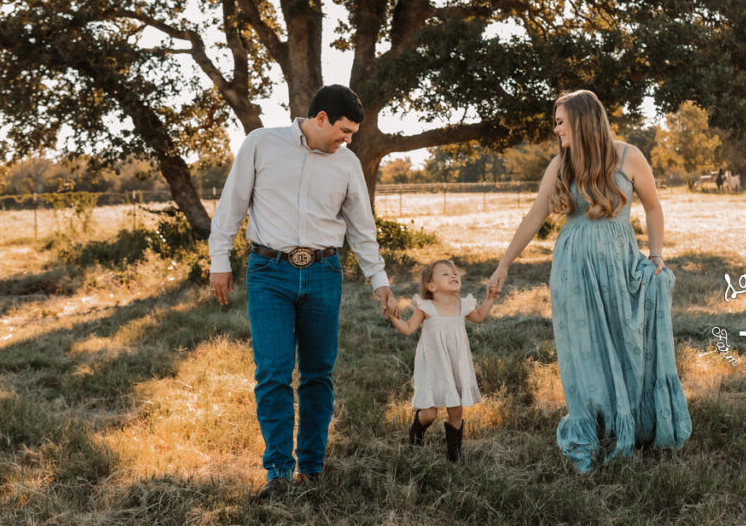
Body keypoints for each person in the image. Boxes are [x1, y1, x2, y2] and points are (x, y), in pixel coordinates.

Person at [487, 89, 692, 473]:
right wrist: (504, 265)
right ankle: (592, 421)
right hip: (573, 267)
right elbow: (534, 217)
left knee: (625, 340)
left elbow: (653, 206)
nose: (557, 130)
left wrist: (657, 255)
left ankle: (630, 419)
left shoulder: (629, 156)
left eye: (561, 122)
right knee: (584, 349)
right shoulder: (560, 165)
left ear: (582, 120)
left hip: (620, 261)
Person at [207, 84, 395, 501]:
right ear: (321, 118)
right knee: (272, 372)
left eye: (352, 135)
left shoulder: (346, 163)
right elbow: (231, 204)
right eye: (343, 131)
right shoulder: (261, 144)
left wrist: (378, 280)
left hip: (325, 272)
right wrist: (219, 260)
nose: (347, 141)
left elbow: (363, 229)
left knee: (317, 374)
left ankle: (310, 469)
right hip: (269, 271)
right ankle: (277, 472)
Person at [386, 259, 499, 462]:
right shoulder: (426, 307)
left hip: (455, 364)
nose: (453, 275)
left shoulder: (462, 304)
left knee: (456, 409)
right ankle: (417, 431)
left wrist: (490, 298)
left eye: (454, 273)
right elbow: (408, 329)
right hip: (433, 366)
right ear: (431, 286)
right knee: (430, 413)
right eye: (445, 274)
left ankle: (455, 453)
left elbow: (480, 316)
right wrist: (393, 316)